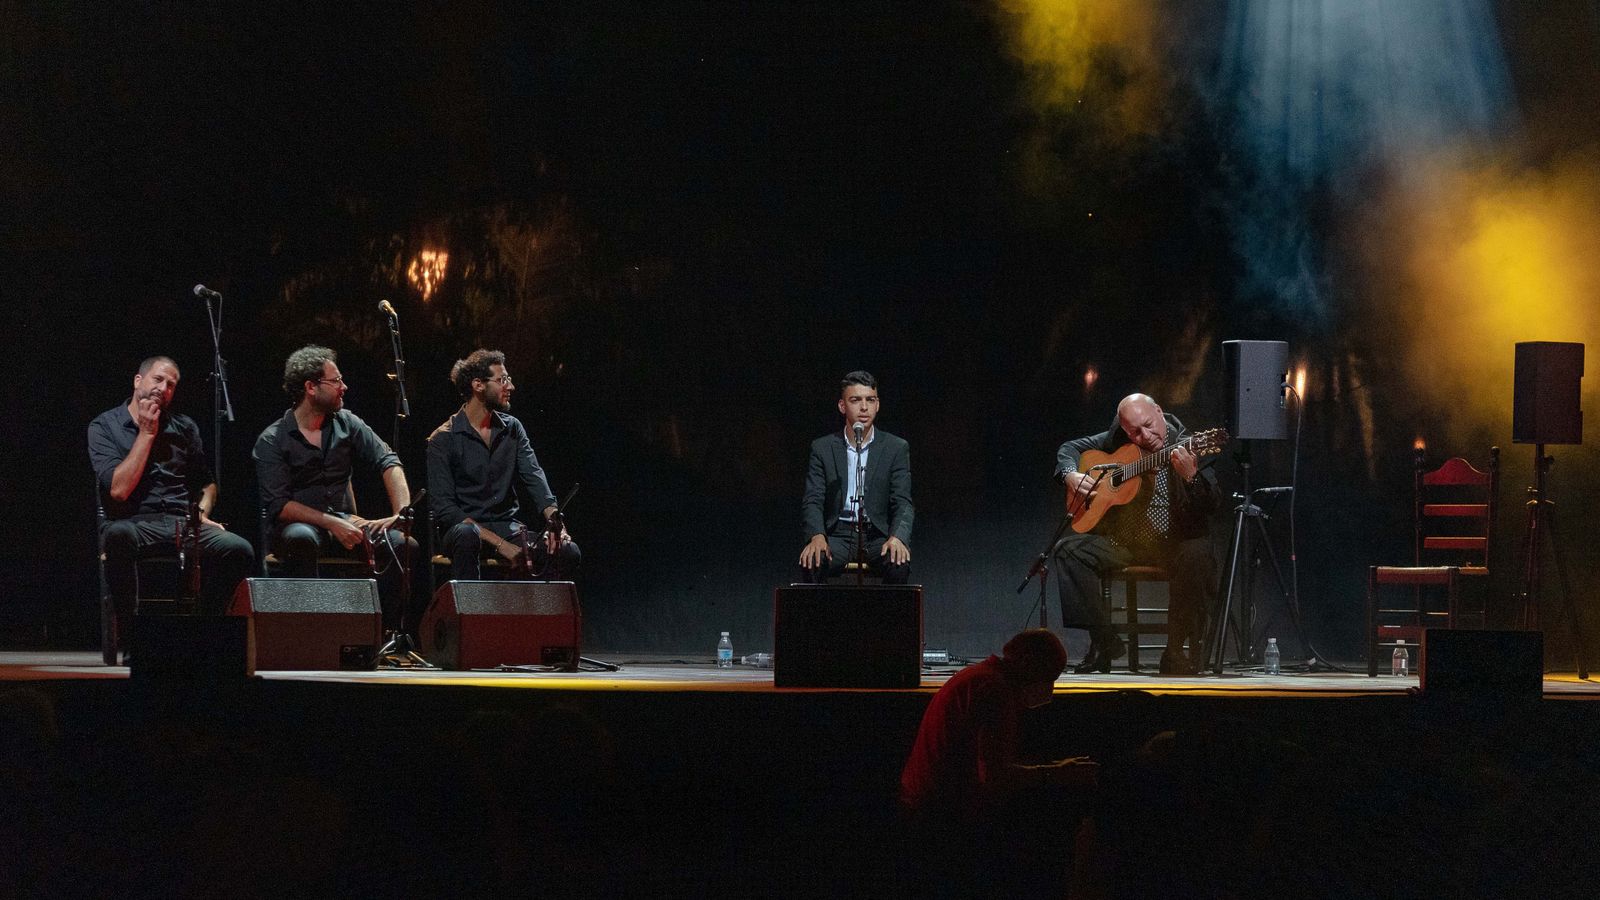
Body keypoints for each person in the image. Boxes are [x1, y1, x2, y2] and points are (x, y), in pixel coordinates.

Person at [899, 629, 1098, 895]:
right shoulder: (995, 691)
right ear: (1028, 663)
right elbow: (993, 778)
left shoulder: (979, 678)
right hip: (942, 820)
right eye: (1049, 677)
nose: (1049, 688)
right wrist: (1055, 774)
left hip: (927, 805)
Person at [1053, 393, 1220, 675]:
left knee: (1198, 553)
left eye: (1148, 425)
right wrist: (1070, 474)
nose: (1144, 436)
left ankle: (1176, 652)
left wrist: (1191, 478)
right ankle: (1104, 641)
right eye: (1135, 432)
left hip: (1173, 542)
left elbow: (1214, 503)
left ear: (1158, 410)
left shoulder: (1189, 443)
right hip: (1127, 541)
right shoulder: (1118, 438)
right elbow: (1069, 449)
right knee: (1067, 550)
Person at [253, 345, 417, 631]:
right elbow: (280, 505)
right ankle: (312, 632)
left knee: (403, 545)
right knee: (301, 538)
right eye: (336, 381)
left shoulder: (347, 423)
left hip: (344, 521)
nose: (344, 387)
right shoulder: (272, 439)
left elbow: (388, 461)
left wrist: (401, 512)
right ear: (311, 387)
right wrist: (332, 523)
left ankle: (380, 632)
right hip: (298, 524)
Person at [88, 356, 255, 631]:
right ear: (138, 381)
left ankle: (201, 630)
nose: (163, 388)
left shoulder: (184, 427)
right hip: (133, 521)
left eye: (171, 385)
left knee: (239, 550)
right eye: (158, 379)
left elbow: (207, 484)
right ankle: (133, 637)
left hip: (181, 522)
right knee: (117, 537)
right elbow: (118, 490)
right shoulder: (104, 426)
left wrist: (200, 513)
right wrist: (146, 433)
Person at [427, 349, 579, 581]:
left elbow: (534, 476)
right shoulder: (443, 439)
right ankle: (472, 615)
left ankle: (534, 614)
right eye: (503, 380)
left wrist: (556, 522)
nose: (511, 386)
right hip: (465, 532)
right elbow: (446, 510)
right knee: (468, 535)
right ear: (478, 385)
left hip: (508, 528)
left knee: (567, 552)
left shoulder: (512, 428)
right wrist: (500, 544)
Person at [798, 371, 913, 583]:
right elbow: (813, 499)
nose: (863, 407)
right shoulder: (822, 448)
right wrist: (817, 536)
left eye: (870, 400)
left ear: (877, 405)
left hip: (876, 534)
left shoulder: (896, 447)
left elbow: (903, 501)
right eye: (855, 400)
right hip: (839, 534)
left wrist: (897, 537)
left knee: (898, 563)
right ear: (842, 406)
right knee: (813, 560)